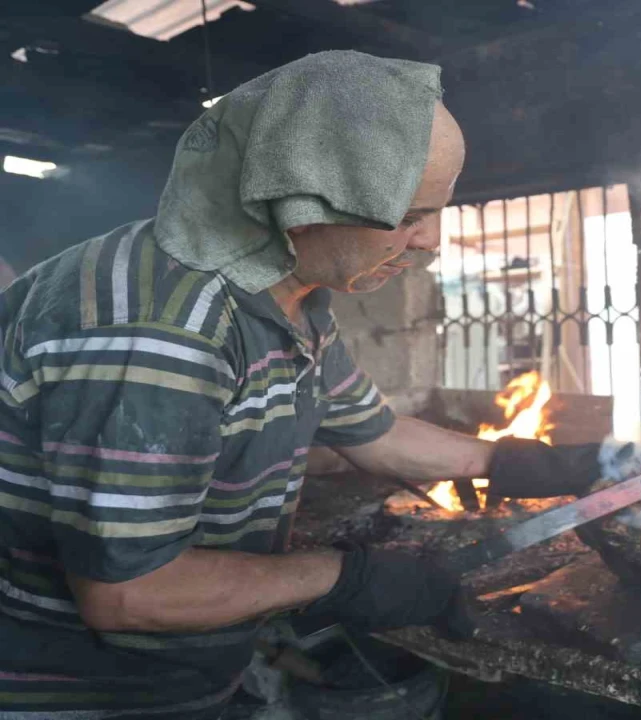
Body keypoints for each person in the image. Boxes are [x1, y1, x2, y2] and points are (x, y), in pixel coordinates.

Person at [0, 52, 606, 718]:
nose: (431, 241)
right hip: (76, 697)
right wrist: (342, 579)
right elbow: (127, 594)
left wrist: (525, 463)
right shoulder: (165, 328)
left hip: (188, 679)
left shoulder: (289, 297)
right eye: (408, 216)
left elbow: (377, 435)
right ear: (299, 204)